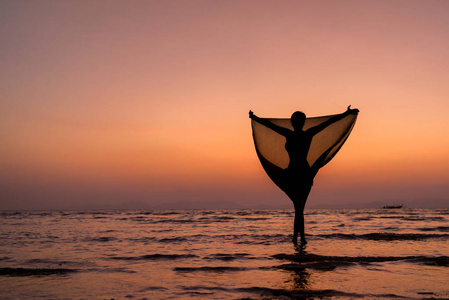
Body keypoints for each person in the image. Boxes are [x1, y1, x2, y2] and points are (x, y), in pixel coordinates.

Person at [249, 106, 359, 245]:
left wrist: (255, 118)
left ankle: (297, 238)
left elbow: (270, 126)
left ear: (293, 122)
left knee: (298, 208)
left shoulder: (290, 134)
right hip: (303, 173)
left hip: (295, 173)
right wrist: (345, 113)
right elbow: (328, 123)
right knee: (299, 208)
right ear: (303, 122)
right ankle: (300, 238)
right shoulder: (307, 134)